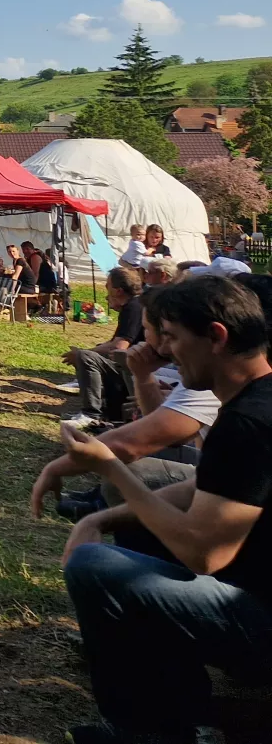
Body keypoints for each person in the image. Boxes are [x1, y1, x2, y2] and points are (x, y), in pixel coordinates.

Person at [59, 275, 272, 742]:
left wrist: (112, 470)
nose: (165, 351)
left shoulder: (248, 423)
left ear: (216, 337)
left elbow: (205, 553)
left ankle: (145, 732)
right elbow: (208, 487)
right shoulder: (257, 400)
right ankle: (176, 704)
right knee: (141, 529)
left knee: (94, 566)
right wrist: (102, 515)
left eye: (172, 337)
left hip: (259, 615)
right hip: (253, 588)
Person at [34, 307, 221, 523]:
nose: (163, 346)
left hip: (226, 494)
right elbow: (165, 435)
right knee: (127, 459)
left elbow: (135, 442)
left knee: (126, 470)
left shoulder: (207, 377)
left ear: (215, 337)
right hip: (214, 473)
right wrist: (143, 376)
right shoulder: (206, 371)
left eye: (170, 336)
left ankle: (109, 512)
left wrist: (55, 468)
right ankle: (102, 501)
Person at [61, 266, 147, 426]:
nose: (106, 289)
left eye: (108, 285)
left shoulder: (133, 308)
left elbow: (119, 346)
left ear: (119, 290)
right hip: (134, 363)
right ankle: (103, 406)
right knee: (92, 353)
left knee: (86, 357)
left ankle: (91, 413)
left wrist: (83, 353)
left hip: (135, 366)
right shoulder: (131, 306)